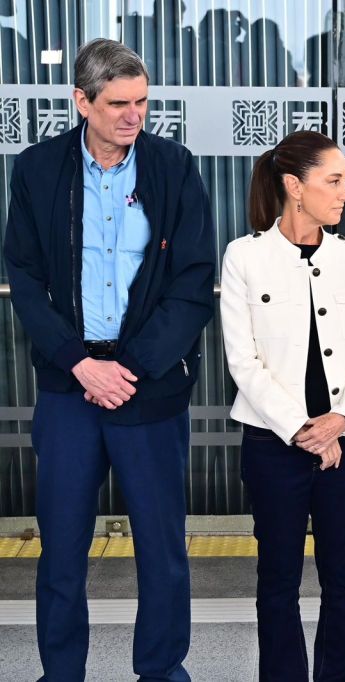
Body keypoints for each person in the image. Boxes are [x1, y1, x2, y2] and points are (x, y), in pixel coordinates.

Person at [3, 39, 215, 680]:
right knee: (61, 551)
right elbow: (24, 278)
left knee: (161, 551)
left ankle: (162, 672)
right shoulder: (39, 168)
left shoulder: (173, 166)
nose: (134, 115)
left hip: (148, 386)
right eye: (119, 103)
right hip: (70, 388)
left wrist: (132, 369)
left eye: (141, 101)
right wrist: (79, 363)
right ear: (82, 101)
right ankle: (61, 673)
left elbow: (192, 281)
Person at [220, 130, 345, 681]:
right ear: (295, 186)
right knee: (277, 579)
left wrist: (340, 421)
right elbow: (243, 361)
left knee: (344, 577)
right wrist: (303, 430)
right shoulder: (245, 257)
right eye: (333, 181)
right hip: (273, 445)